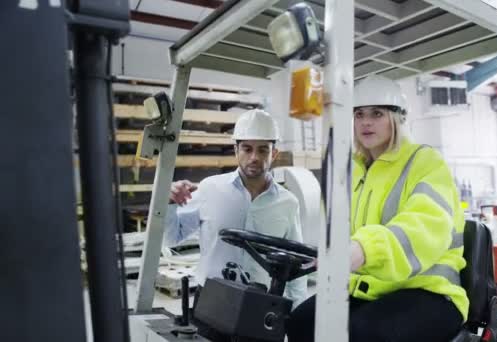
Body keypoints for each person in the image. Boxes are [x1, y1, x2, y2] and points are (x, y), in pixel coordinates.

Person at [287, 75, 468, 341]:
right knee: (300, 322)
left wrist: (365, 249)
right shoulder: (353, 169)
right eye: (359, 114)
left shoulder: (425, 162)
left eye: (377, 113)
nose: (366, 122)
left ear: (398, 118)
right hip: (370, 289)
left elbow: (426, 223)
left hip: (429, 290)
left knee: (366, 333)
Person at [163, 109, 308, 341]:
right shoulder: (211, 189)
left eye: (263, 149)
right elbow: (172, 237)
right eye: (247, 148)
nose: (254, 157)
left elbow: (295, 263)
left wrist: (295, 314)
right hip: (213, 301)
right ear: (235, 150)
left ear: (275, 153)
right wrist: (169, 202)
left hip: (260, 305)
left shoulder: (288, 203)